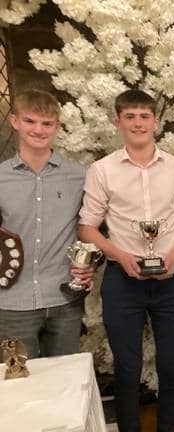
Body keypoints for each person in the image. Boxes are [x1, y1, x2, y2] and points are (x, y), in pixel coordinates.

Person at [79, 89, 174, 432]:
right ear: (118, 122)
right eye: (129, 116)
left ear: (155, 122)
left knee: (171, 365)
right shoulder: (102, 170)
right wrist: (120, 255)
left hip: (169, 279)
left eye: (144, 116)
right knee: (128, 369)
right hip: (122, 280)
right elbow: (87, 226)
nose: (137, 123)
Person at [0, 89, 93, 359]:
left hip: (64, 302)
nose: (38, 130)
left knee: (64, 382)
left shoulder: (79, 176)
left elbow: (91, 230)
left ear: (57, 127)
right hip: (10, 305)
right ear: (14, 121)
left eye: (47, 123)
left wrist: (89, 264)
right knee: (16, 384)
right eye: (30, 121)